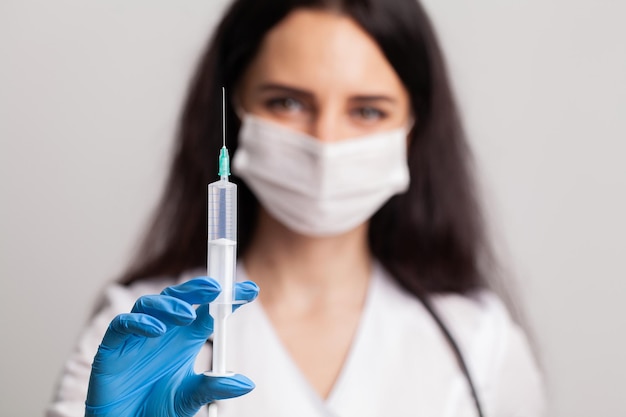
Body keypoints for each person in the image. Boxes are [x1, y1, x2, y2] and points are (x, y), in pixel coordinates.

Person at [47, 0, 545, 416]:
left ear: (414, 126)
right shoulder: (139, 339)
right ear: (236, 112)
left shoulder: (480, 343)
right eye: (287, 102)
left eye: (367, 110)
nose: (325, 141)